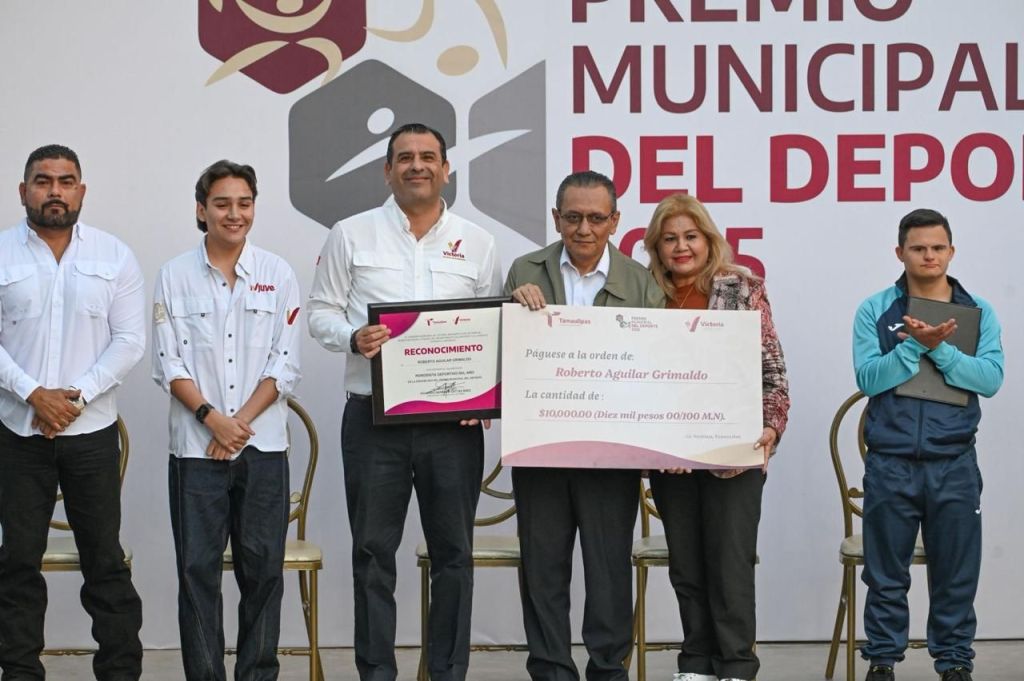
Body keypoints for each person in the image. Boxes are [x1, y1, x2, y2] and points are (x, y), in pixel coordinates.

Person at [307, 122, 501, 681]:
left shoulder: (479, 242)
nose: (418, 165)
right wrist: (352, 337)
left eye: (428, 157)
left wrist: (483, 390)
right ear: (387, 170)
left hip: (452, 427)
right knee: (372, 554)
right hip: (373, 420)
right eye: (406, 157)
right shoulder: (350, 234)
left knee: (454, 555)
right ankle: (376, 674)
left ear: (446, 170)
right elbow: (320, 312)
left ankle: (447, 673)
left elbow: (490, 327)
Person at [504, 170, 664, 681]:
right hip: (540, 448)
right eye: (573, 217)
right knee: (543, 569)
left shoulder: (639, 282)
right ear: (556, 218)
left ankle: (608, 669)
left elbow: (656, 366)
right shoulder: (523, 270)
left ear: (615, 221)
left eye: (597, 218)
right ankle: (550, 669)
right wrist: (512, 307)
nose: (584, 229)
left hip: (610, 453)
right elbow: (503, 355)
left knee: (608, 568)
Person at [152, 160, 301, 681]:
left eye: (244, 203)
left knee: (263, 574)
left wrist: (237, 425)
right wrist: (212, 419)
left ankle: (257, 674)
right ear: (202, 210)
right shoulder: (174, 276)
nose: (234, 214)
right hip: (195, 451)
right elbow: (168, 364)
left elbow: (285, 364)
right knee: (197, 574)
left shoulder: (279, 274)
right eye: (222, 204)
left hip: (263, 448)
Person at [0, 144, 145, 680]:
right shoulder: (2, 253)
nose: (54, 191)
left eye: (65, 181)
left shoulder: (114, 255)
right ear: (24, 191)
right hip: (17, 434)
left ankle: (120, 672)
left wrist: (73, 398)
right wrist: (33, 394)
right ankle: (19, 672)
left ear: (81, 191)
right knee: (17, 562)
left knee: (105, 560)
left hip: (91, 436)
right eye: (43, 181)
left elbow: (129, 341)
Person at [641, 194, 789, 681]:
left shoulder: (742, 288)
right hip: (671, 457)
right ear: (656, 248)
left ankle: (737, 664)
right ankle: (697, 662)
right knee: (686, 566)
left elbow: (773, 373)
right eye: (670, 239)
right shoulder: (645, 294)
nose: (681, 247)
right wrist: (658, 441)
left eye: (691, 236)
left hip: (734, 453)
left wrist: (769, 428)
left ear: (708, 240)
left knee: (729, 564)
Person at [853, 209, 1002, 681]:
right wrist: (914, 345)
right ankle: (882, 661)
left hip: (954, 463)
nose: (929, 256)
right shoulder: (875, 309)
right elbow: (868, 379)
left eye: (938, 247)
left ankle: (954, 662)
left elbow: (990, 380)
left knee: (956, 574)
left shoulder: (978, 311)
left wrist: (941, 349)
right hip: (890, 463)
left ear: (951, 251)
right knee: (884, 574)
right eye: (918, 248)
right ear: (900, 253)